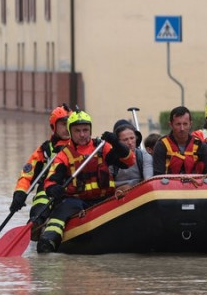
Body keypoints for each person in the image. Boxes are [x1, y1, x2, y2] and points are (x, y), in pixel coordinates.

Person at [36, 110, 135, 253]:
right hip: (76, 201)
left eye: (85, 130)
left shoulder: (102, 147)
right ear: (70, 131)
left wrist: (117, 143)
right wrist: (54, 189)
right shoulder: (64, 155)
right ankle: (48, 240)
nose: (82, 134)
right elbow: (50, 182)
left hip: (103, 199)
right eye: (77, 131)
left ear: (90, 130)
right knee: (61, 211)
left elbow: (129, 161)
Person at [9, 105, 72, 240]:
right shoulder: (44, 150)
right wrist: (19, 193)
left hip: (71, 187)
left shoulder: (79, 145)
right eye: (62, 124)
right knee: (42, 196)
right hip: (49, 188)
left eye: (69, 124)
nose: (67, 128)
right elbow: (27, 174)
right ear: (53, 126)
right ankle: (35, 224)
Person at [152, 105, 207, 175]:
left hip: (195, 185)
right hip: (169, 185)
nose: (182, 128)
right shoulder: (161, 145)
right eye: (178, 124)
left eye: (185, 124)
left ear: (190, 124)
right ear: (171, 125)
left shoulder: (200, 145)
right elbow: (157, 176)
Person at [111, 119, 153, 191]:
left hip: (140, 192)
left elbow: (148, 181)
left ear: (136, 138)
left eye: (132, 138)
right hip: (117, 196)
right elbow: (106, 186)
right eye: (125, 140)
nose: (130, 142)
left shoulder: (145, 156)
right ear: (117, 142)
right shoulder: (110, 159)